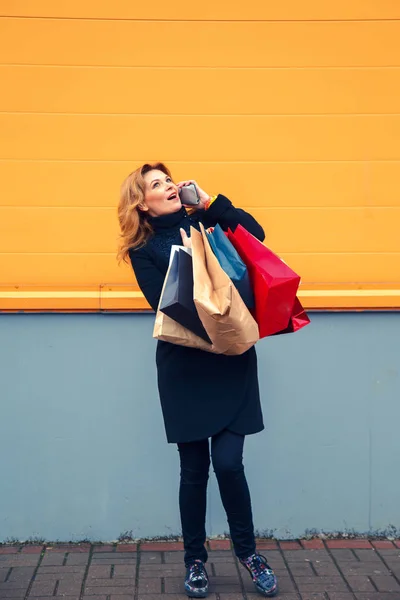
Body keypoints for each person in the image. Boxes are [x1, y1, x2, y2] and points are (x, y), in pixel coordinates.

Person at [117, 163, 278, 598]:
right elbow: (162, 302)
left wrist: (209, 203)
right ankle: (195, 561)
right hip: (186, 364)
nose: (168, 186)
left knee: (229, 463)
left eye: (168, 180)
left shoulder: (203, 219)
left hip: (231, 356)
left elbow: (256, 236)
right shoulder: (143, 248)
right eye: (156, 184)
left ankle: (249, 553)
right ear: (141, 202)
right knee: (194, 470)